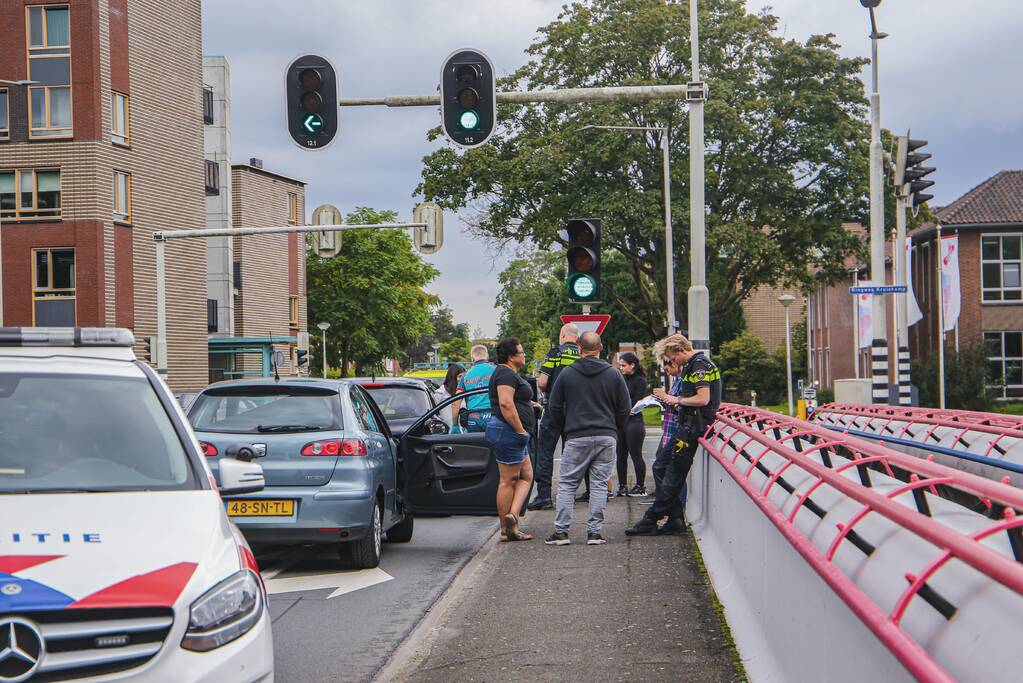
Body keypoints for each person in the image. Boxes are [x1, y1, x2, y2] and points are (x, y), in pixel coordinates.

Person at [626, 334, 721, 536]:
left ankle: (653, 518)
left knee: (670, 472)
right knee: (663, 467)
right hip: (688, 425)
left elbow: (703, 399)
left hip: (693, 427)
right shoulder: (695, 365)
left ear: (681, 350)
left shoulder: (699, 366)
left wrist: (674, 399)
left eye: (672, 357)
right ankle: (674, 517)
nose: (673, 362)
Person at [544, 332, 631, 546]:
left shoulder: (567, 374)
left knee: (567, 484)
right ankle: (594, 533)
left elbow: (554, 406)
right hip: (606, 435)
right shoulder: (613, 374)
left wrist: (565, 426)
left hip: (576, 435)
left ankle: (561, 532)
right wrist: (614, 427)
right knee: (600, 484)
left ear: (579, 349)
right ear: (600, 348)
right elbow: (625, 408)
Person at [485, 338, 536, 541]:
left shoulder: (507, 373)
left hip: (511, 431)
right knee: (508, 480)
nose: (524, 355)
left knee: (526, 475)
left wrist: (528, 404)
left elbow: (512, 399)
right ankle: (506, 529)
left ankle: (512, 517)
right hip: (509, 431)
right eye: (521, 352)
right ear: (511, 356)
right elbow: (505, 404)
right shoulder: (505, 373)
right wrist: (520, 430)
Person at [527, 323, 581, 511]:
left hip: (554, 407)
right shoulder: (581, 355)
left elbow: (542, 382)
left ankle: (544, 496)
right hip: (575, 410)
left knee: (545, 451)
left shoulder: (555, 353)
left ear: (563, 335)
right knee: (571, 452)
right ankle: (569, 495)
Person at [615, 352, 649, 497]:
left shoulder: (640, 381)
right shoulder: (621, 379)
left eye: (623, 365)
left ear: (632, 365)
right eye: (620, 365)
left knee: (636, 454)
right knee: (620, 455)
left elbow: (636, 402)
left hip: (634, 422)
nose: (621, 368)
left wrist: (623, 408)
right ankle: (622, 485)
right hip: (621, 421)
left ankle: (640, 485)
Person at [452, 345, 496, 432]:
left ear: (472, 358)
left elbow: (455, 403)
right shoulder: (497, 370)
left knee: (473, 445)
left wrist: (455, 425)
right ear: (487, 356)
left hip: (473, 418)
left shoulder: (465, 376)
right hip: (494, 416)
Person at [434, 363, 465, 430]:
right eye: (459, 376)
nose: (462, 379)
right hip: (446, 433)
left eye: (463, 377)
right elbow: (435, 416)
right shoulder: (440, 393)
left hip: (464, 432)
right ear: (452, 376)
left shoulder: (465, 392)